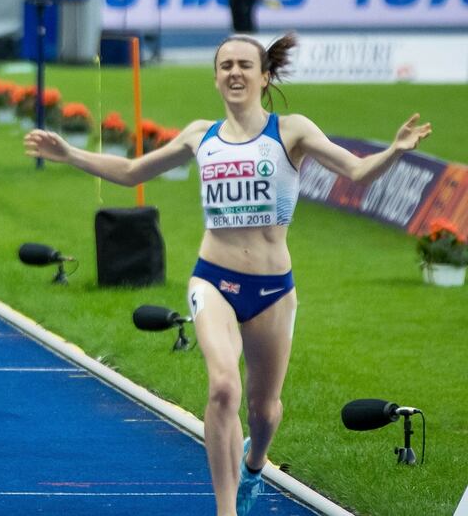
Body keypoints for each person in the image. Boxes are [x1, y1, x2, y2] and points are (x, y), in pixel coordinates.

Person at [24, 33, 431, 516]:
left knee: (264, 410)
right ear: (216, 78)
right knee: (222, 388)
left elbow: (357, 171)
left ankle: (255, 463)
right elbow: (133, 171)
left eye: (244, 65)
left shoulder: (291, 131)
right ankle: (226, 509)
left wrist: (395, 150)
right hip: (213, 278)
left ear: (265, 77)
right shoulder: (201, 135)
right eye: (225, 66)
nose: (235, 72)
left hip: (273, 290)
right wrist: (70, 154)